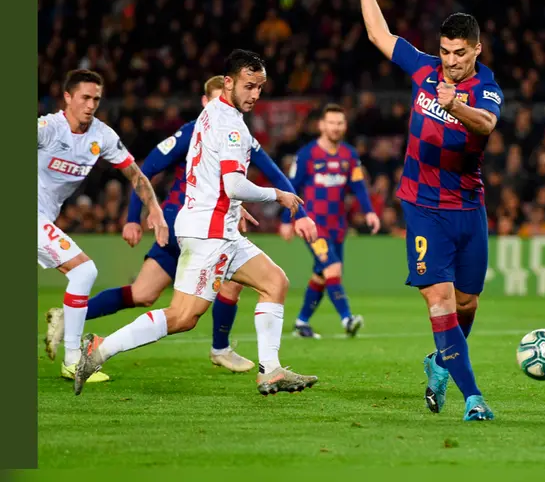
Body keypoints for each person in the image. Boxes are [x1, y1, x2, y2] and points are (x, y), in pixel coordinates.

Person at [74, 50, 319, 396]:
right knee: (182, 317)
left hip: (217, 225)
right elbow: (233, 184)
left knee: (274, 282)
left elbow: (208, 172)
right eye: (249, 86)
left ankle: (270, 370)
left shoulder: (210, 113)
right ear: (228, 82)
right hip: (210, 232)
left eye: (260, 88)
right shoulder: (231, 125)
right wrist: (276, 195)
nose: (255, 95)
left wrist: (232, 207)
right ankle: (99, 348)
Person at [342, 0, 503, 421]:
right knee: (440, 301)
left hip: (468, 208)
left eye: (460, 53)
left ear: (477, 49)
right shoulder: (424, 69)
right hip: (422, 206)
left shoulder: (486, 87)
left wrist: (458, 107)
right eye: (445, 51)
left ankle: (440, 362)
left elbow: (487, 124)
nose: (451, 61)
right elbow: (379, 34)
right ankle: (473, 398)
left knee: (467, 303)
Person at [38, 69, 169, 384]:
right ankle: (73, 361)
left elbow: (136, 175)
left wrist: (155, 210)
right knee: (84, 271)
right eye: (85, 97)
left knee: (82, 273)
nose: (91, 105)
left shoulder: (102, 136)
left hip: (44, 216)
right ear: (67, 97)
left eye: (96, 99)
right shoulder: (49, 128)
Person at [282, 103, 380, 339]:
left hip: (338, 225)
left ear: (345, 126)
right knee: (332, 268)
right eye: (331, 123)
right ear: (321, 125)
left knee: (322, 274)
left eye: (340, 123)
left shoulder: (350, 155)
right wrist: (287, 220)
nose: (335, 127)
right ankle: (347, 319)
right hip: (314, 224)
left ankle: (301, 322)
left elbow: (359, 186)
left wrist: (369, 211)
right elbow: (291, 188)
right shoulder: (307, 154)